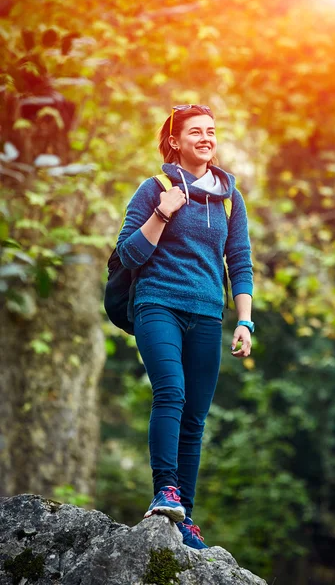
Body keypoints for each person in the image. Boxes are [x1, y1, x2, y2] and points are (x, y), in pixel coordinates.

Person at [116, 104, 254, 549]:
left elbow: (240, 263)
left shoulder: (231, 198)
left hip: (208, 314)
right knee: (170, 392)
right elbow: (128, 255)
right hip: (157, 304)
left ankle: (185, 520)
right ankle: (165, 491)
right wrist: (162, 213)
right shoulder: (154, 188)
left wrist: (245, 320)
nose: (206, 138)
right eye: (195, 131)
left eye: (211, 131)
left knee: (195, 416)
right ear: (175, 140)